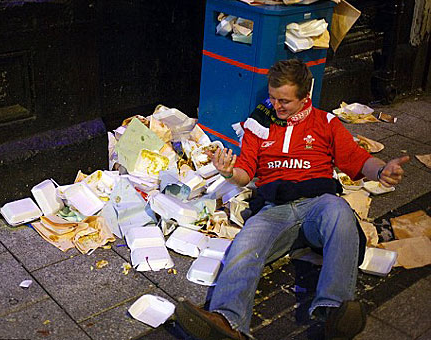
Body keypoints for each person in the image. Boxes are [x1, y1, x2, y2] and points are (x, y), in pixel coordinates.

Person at [175, 59, 409, 340]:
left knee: (340, 213)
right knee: (246, 244)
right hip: (276, 208)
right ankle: (228, 321)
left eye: (284, 101)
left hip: (318, 202)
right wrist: (228, 172)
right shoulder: (258, 124)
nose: (276, 106)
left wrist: (382, 170)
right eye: (273, 98)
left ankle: (334, 310)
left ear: (305, 97)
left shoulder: (325, 122)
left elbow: (357, 160)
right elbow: (246, 170)